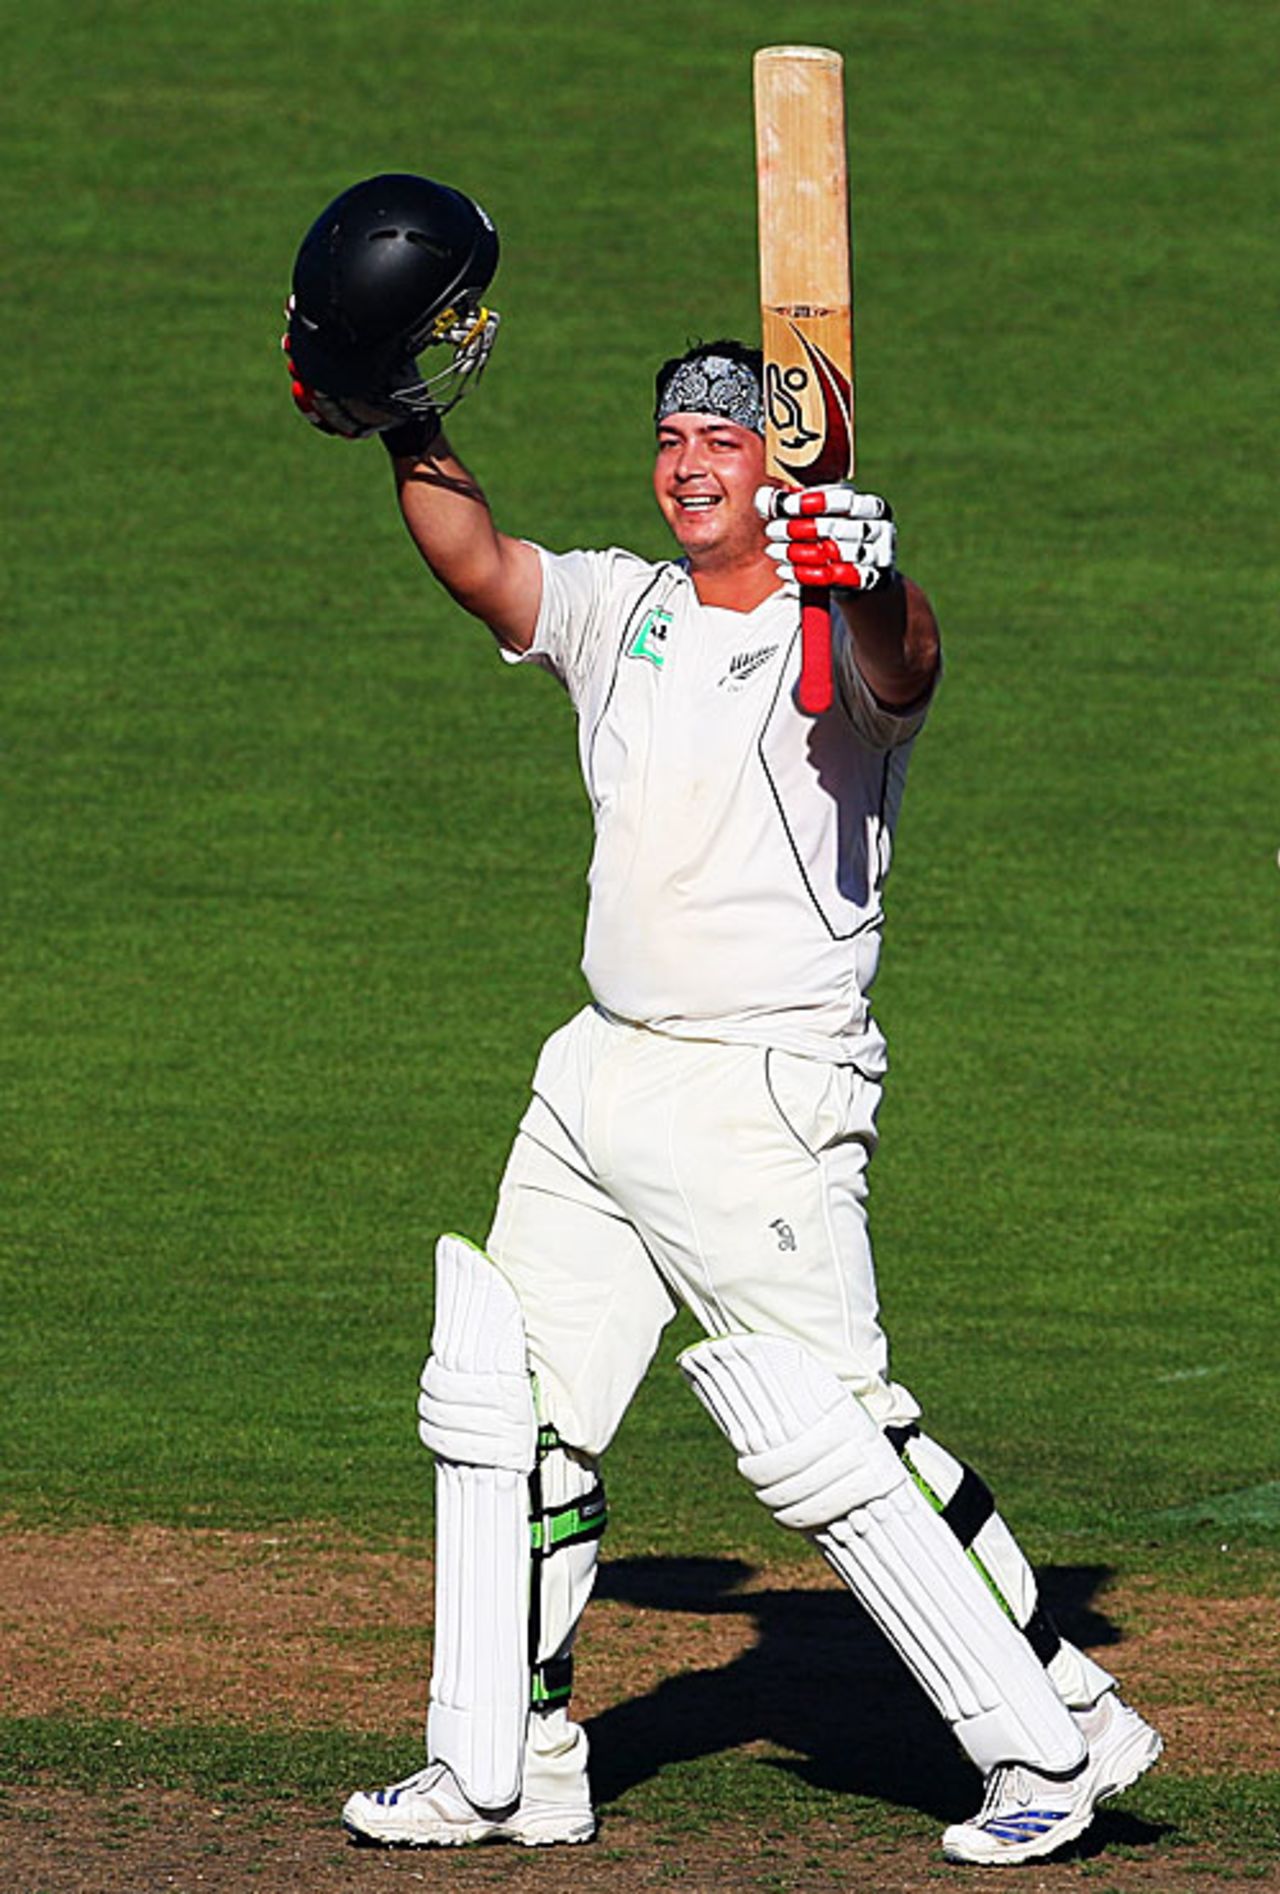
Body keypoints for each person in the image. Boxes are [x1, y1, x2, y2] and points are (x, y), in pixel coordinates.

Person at [284, 173, 1161, 1868]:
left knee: (828, 1433)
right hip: (598, 1072)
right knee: (505, 1406)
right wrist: (398, 416)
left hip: (763, 1086)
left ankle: (1056, 1738)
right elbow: (477, 559)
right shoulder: (630, 611)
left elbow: (907, 668)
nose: (692, 459)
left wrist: (872, 574)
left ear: (782, 465)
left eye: (726, 439)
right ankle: (501, 1762)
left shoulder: (837, 626)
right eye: (674, 436)